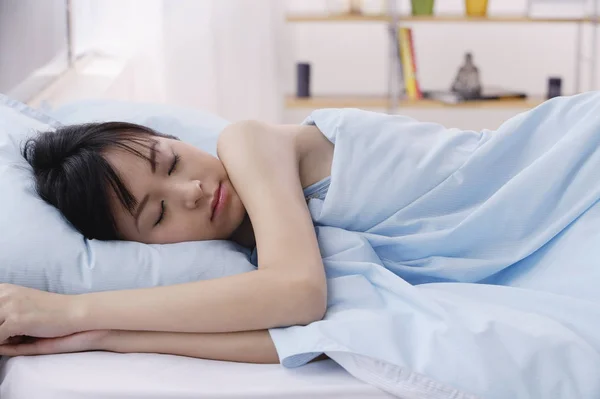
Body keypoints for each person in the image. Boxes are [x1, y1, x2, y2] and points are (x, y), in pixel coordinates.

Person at [0, 119, 335, 363]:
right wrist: (106, 336)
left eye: (172, 163)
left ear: (171, 137)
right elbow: (311, 344)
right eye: (158, 214)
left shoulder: (247, 142)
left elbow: (299, 293)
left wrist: (70, 311)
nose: (191, 192)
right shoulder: (258, 258)